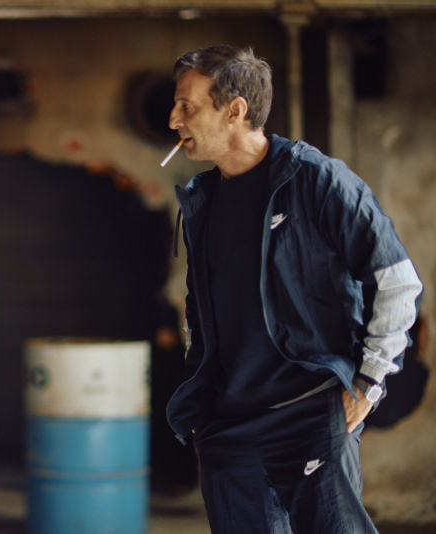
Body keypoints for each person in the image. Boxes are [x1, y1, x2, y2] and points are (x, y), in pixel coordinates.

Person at [165, 45, 422, 533]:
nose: (174, 119)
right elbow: (201, 311)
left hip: (310, 414)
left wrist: (368, 384)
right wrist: (203, 412)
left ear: (235, 110)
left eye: (187, 106)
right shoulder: (202, 200)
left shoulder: (317, 179)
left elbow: (397, 281)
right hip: (227, 426)